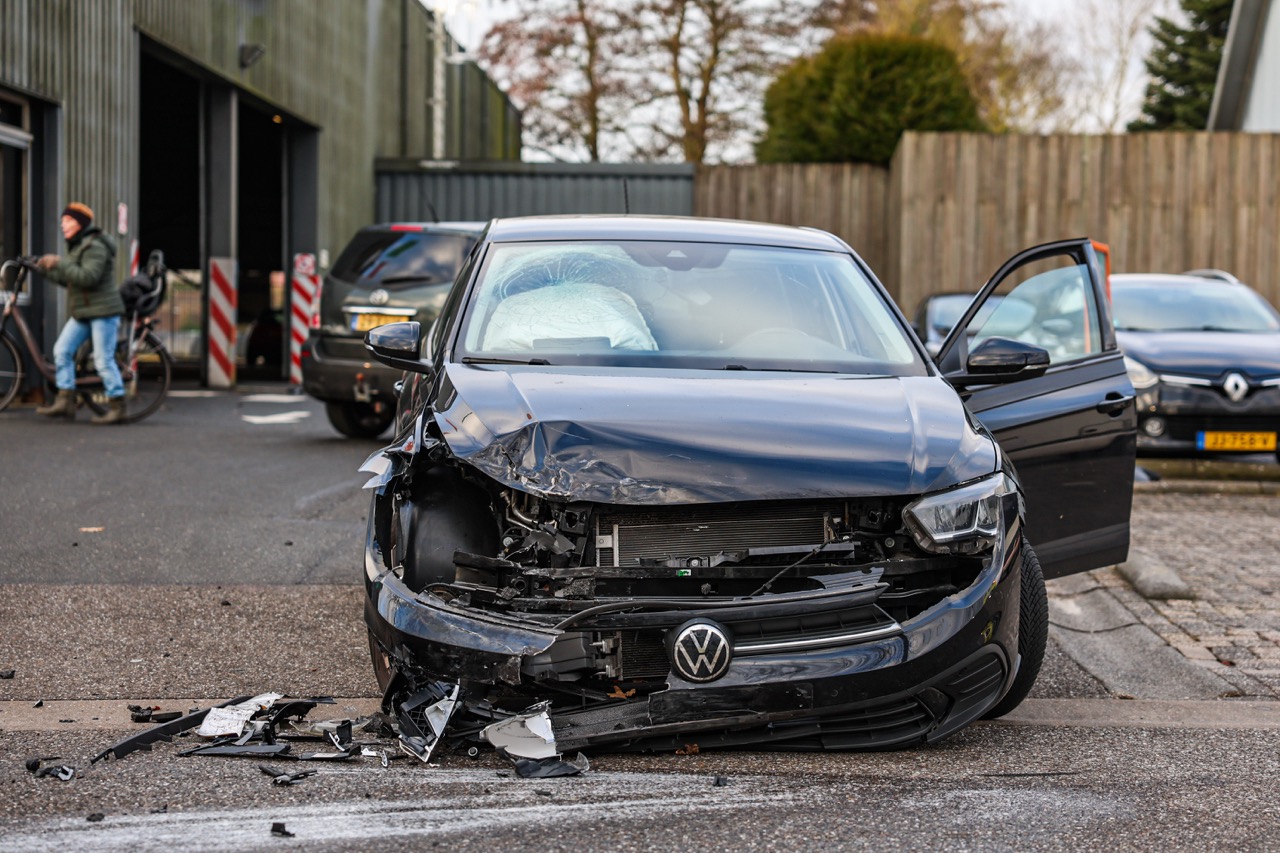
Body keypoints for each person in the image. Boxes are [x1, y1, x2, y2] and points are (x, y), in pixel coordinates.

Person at [32, 202, 127, 424]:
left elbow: (87, 277)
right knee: (62, 350)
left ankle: (117, 405)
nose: (62, 225)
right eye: (62, 221)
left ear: (80, 224)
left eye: (67, 221)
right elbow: (72, 280)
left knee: (103, 360)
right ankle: (66, 401)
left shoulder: (95, 247)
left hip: (103, 311)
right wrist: (43, 269)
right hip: (85, 311)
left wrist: (60, 263)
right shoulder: (78, 246)